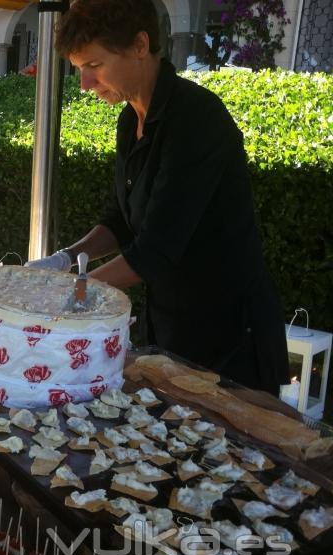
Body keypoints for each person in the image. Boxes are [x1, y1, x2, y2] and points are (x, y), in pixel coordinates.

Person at [27, 0, 288, 396]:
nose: (84, 84)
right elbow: (120, 221)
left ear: (139, 45)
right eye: (80, 69)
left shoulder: (196, 119)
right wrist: (65, 259)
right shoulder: (131, 119)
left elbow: (156, 250)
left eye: (94, 66)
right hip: (167, 326)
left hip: (230, 338)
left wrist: (74, 293)